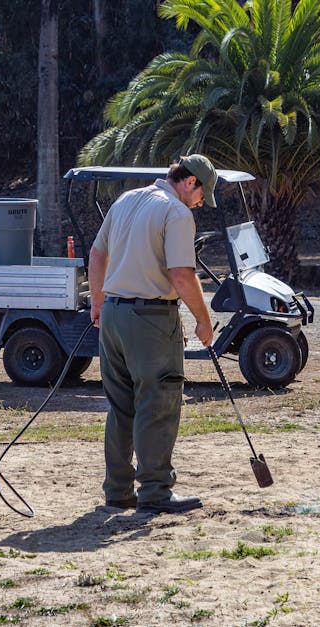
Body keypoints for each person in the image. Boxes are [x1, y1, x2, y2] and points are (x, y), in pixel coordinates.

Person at [88, 154, 218, 514]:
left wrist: (97, 303)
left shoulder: (126, 200)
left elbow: (97, 254)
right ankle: (156, 491)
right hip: (151, 318)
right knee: (158, 403)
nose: (201, 202)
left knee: (120, 406)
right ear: (190, 182)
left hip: (113, 315)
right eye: (202, 194)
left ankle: (117, 490)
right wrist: (203, 321)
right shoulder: (176, 213)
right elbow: (181, 275)